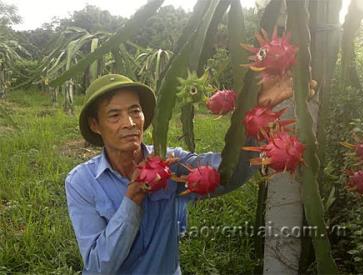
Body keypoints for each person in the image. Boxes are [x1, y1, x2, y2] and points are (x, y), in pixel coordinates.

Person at [65, 73, 296, 274]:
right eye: (114, 115)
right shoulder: (81, 183)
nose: (130, 123)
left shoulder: (170, 162)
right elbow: (97, 268)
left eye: (135, 111)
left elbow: (227, 174)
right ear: (95, 125)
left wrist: (254, 116)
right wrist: (132, 200)